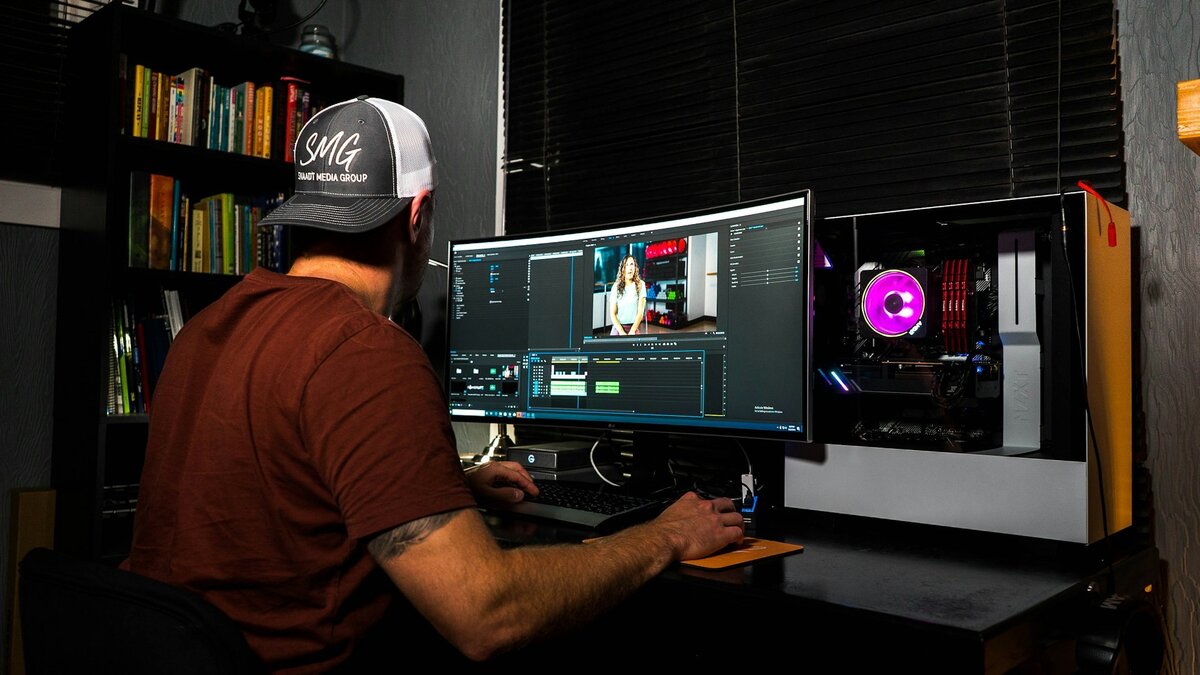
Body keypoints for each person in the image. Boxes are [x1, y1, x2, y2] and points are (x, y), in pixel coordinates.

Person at [123, 96, 744, 672]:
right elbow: (486, 614)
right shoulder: (364, 349)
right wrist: (663, 537)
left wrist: (439, 491)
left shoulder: (206, 329)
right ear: (417, 216)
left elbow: (261, 498)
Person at [609, 254, 646, 335]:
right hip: (618, 327)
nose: (630, 268)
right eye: (626, 265)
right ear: (623, 269)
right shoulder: (615, 286)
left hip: (633, 327)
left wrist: (632, 331)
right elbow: (613, 313)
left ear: (635, 267)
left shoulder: (641, 284)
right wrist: (621, 332)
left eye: (632, 264)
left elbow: (640, 313)